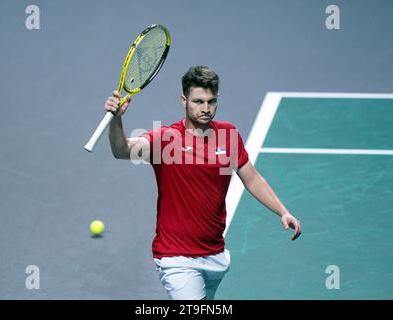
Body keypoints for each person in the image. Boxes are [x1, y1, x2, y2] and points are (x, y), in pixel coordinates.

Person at [106, 66, 301, 300]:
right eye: (198, 101)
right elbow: (121, 150)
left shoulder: (228, 136)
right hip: (176, 256)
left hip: (214, 253)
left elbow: (251, 178)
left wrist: (283, 211)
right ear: (183, 100)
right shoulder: (166, 139)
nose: (206, 109)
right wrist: (116, 120)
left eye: (211, 101)